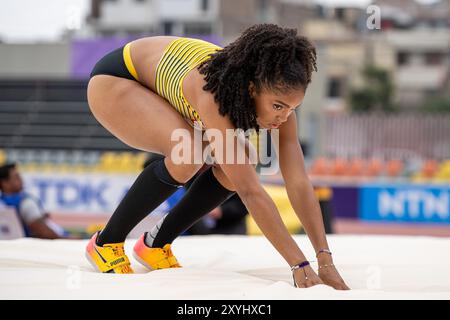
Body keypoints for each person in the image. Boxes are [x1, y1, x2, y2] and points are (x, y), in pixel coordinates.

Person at [85, 23, 349, 289]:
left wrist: (325, 260)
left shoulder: (280, 105)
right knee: (187, 152)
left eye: (293, 108)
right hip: (116, 80)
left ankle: (155, 244)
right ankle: (105, 242)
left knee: (243, 156)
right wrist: (299, 265)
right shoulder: (213, 92)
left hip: (165, 92)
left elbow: (299, 182)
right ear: (251, 88)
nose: (284, 116)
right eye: (278, 106)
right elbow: (250, 191)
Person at [0, 163, 66, 239]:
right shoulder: (26, 203)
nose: (21, 179)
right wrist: (68, 239)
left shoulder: (3, 202)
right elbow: (45, 233)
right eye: (16, 177)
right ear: (4, 183)